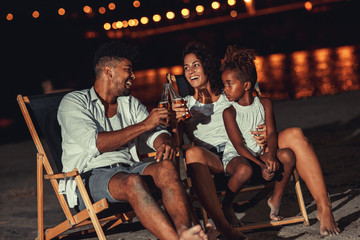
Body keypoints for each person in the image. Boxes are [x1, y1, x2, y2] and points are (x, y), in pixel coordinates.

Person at [172, 41, 340, 237]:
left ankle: (324, 207)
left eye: (195, 65)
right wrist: (175, 122)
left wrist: (266, 134)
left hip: (251, 145)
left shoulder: (230, 91)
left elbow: (255, 109)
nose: (190, 71)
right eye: (186, 67)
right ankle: (222, 221)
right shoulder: (184, 105)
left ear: (207, 66)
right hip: (216, 158)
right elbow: (176, 143)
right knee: (191, 152)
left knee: (295, 134)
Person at [57, 41, 215, 240]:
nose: (133, 76)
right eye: (128, 70)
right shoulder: (74, 102)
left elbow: (155, 131)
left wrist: (164, 142)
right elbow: (96, 144)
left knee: (166, 168)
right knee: (133, 182)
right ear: (109, 71)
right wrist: (144, 125)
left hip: (129, 168)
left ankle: (184, 231)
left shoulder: (129, 103)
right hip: (89, 177)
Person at [220, 45, 295, 224]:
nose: (225, 89)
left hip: (260, 154)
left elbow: (270, 133)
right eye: (224, 84)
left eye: (229, 84)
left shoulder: (265, 103)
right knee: (245, 169)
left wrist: (270, 154)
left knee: (288, 155)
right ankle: (226, 205)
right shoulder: (229, 112)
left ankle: (275, 199)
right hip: (237, 156)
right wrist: (262, 164)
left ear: (246, 85)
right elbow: (238, 145)